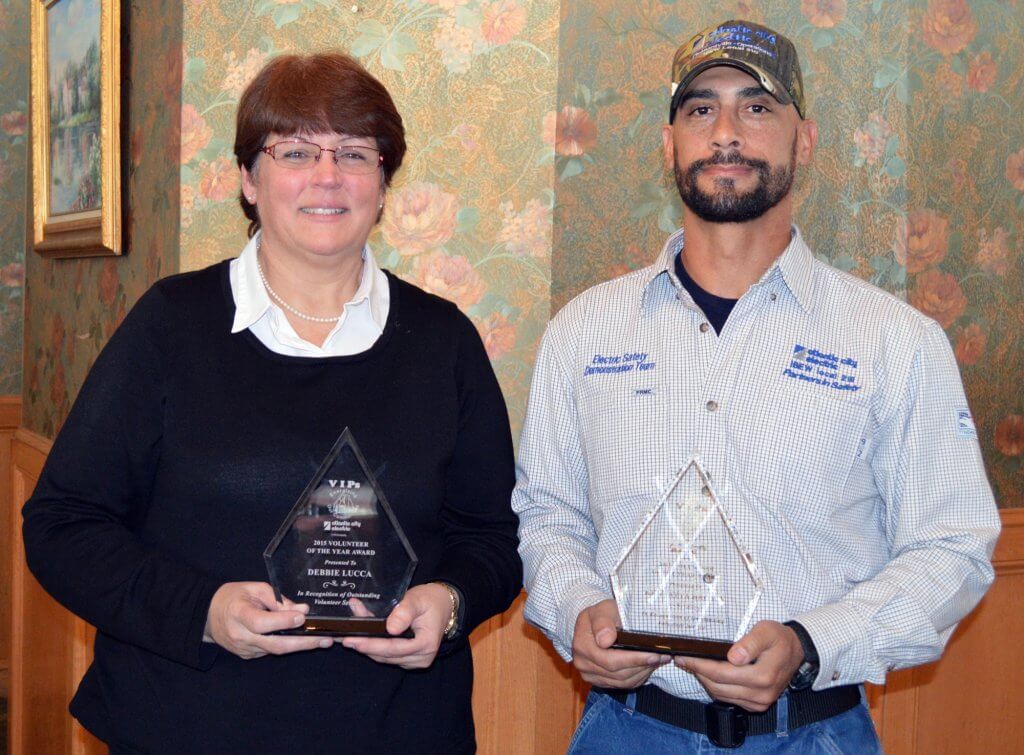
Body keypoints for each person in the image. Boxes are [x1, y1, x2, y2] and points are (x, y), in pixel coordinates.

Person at [513, 20, 1000, 752]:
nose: (727, 132)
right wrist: (579, 607)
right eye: (701, 109)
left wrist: (810, 642)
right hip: (627, 729)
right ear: (668, 142)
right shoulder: (584, 331)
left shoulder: (895, 342)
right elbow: (547, 514)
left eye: (757, 106)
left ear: (803, 140)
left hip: (813, 731)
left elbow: (953, 547)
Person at [22, 52, 521, 754]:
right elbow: (61, 524)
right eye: (294, 151)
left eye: (354, 152)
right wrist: (203, 610)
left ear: (383, 183)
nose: (327, 176)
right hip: (186, 725)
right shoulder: (171, 326)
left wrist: (452, 603)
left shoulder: (443, 342)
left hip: (399, 730)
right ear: (249, 181)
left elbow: (493, 539)